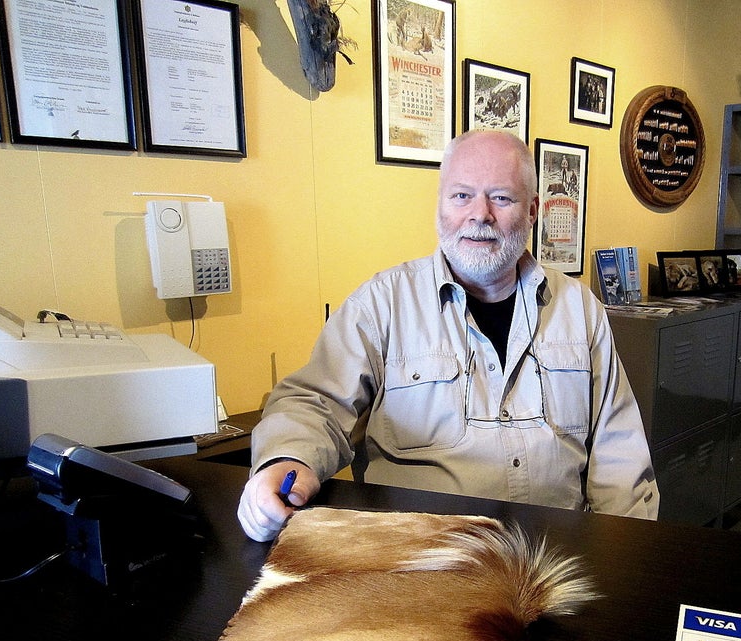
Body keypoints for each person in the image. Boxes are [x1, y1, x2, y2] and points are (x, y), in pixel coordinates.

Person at [238, 130, 659, 541]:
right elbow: (315, 403)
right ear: (439, 206)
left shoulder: (580, 310)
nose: (480, 215)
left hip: (551, 561)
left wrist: (619, 555)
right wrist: (286, 459)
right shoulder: (383, 304)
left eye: (501, 197)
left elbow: (618, 452)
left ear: (532, 211)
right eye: (462, 195)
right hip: (418, 563)